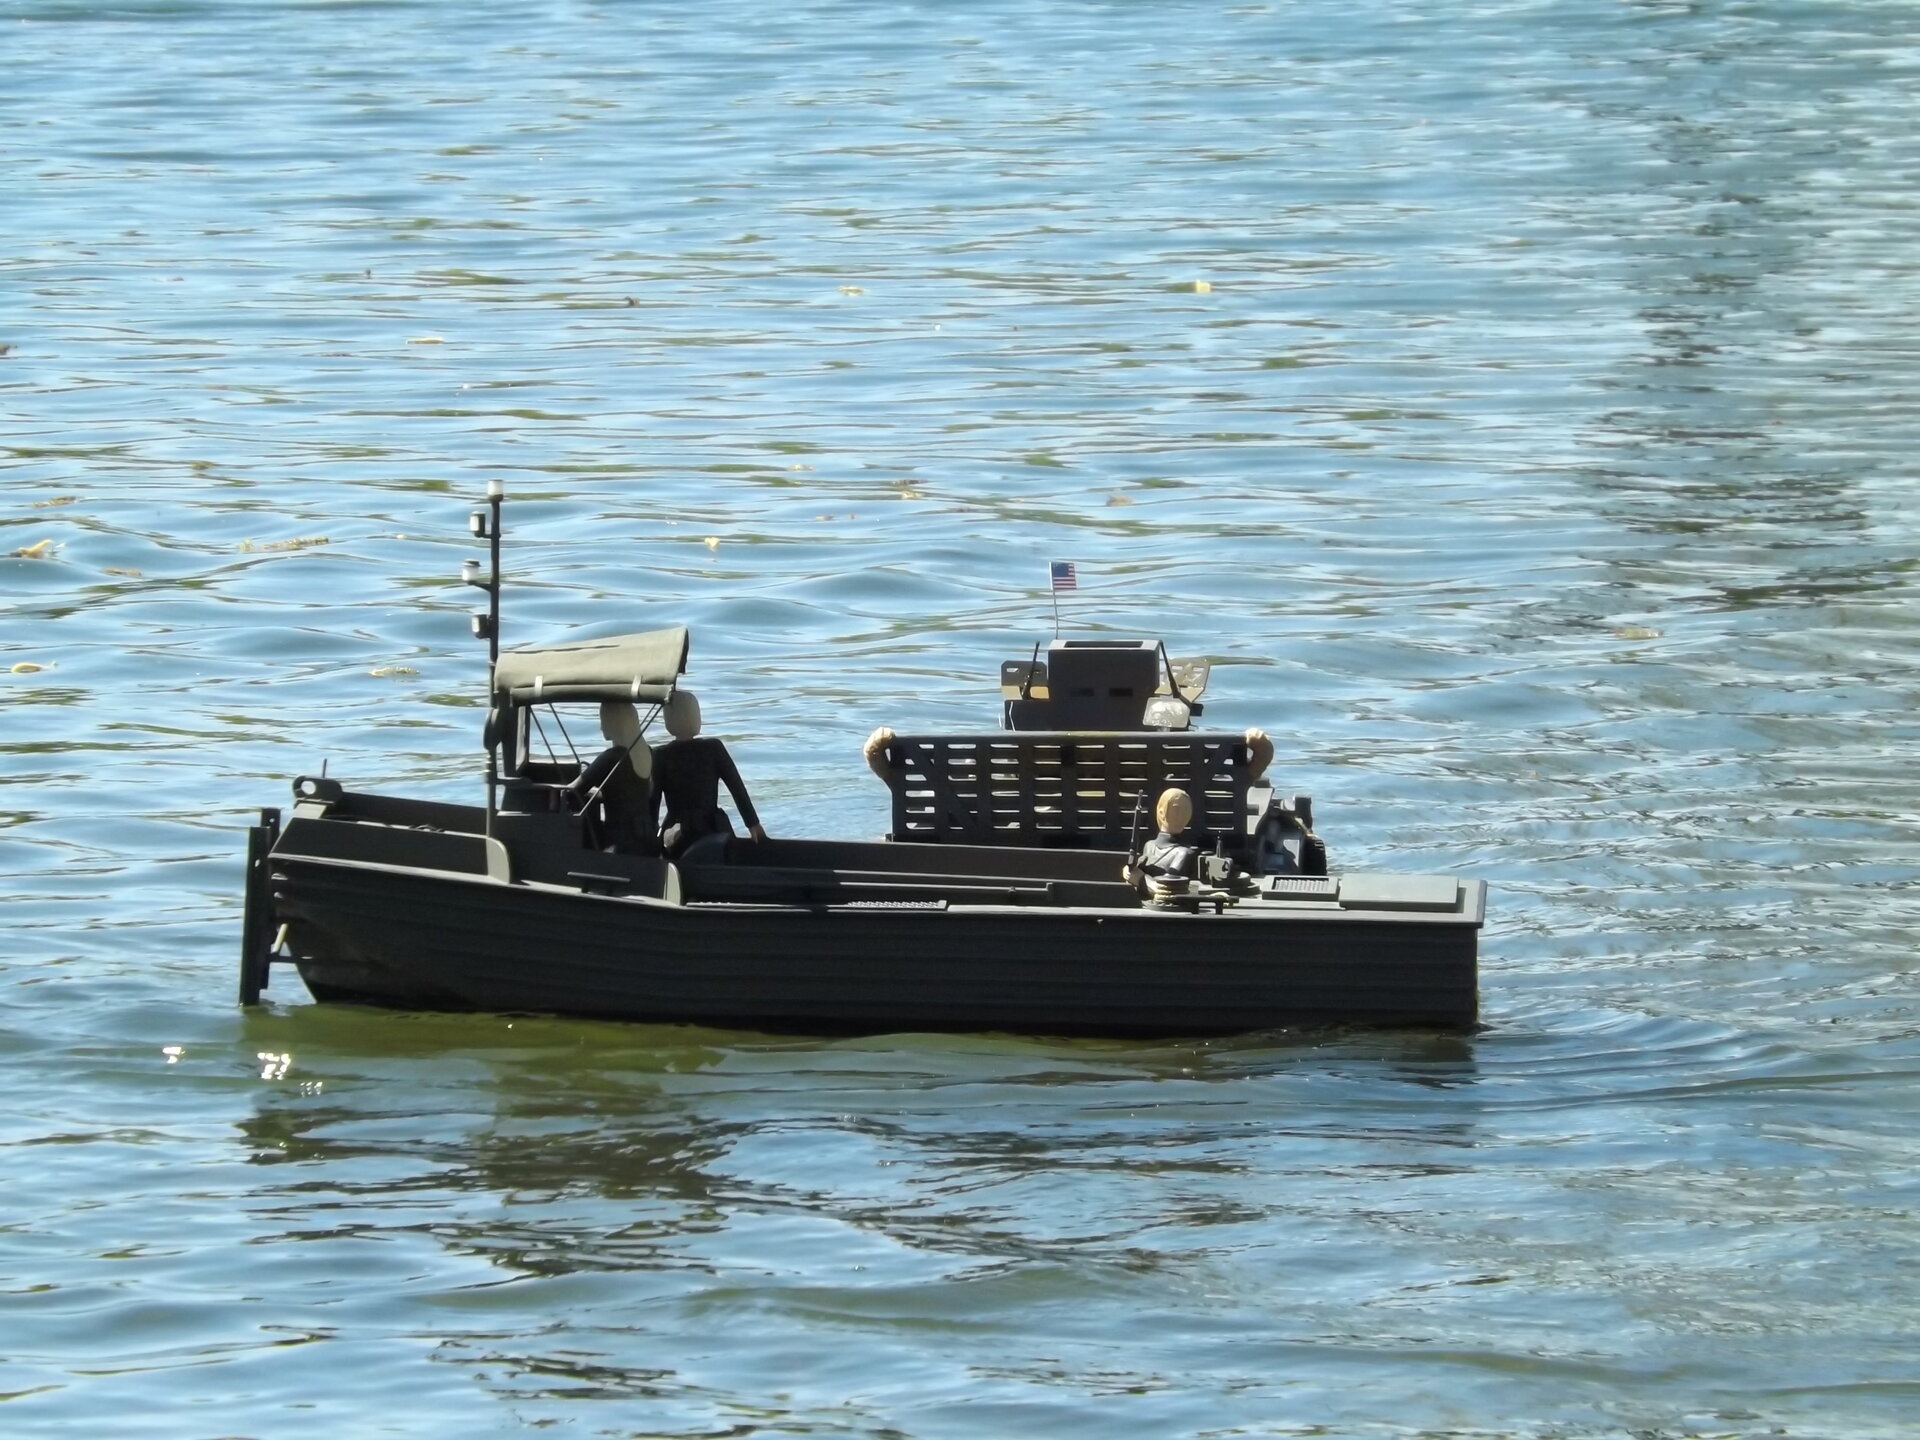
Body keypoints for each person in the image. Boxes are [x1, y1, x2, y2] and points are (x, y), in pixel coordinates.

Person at [648, 690, 767, 858]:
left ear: (668, 721)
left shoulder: (660, 755)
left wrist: (650, 839)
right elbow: (737, 788)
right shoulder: (713, 748)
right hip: (712, 829)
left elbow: (653, 803)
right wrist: (753, 824)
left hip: (678, 836)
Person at [566, 702, 654, 851]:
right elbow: (634, 792)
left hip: (619, 845)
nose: (601, 727)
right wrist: (596, 794)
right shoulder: (648, 752)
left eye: (603, 721)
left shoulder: (611, 758)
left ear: (614, 723)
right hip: (648, 842)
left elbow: (571, 792)